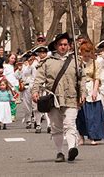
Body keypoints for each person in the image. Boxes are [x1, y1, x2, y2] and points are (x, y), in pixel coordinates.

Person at [32, 32, 85, 163]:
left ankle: (72, 148)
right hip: (53, 99)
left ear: (69, 46)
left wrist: (83, 92)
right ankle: (59, 152)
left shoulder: (76, 62)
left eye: (65, 44)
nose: (63, 47)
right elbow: (38, 80)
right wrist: (35, 91)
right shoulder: (47, 62)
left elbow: (82, 79)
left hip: (71, 98)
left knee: (70, 124)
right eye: (60, 44)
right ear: (56, 46)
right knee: (56, 127)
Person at [77, 40, 104, 145]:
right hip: (80, 87)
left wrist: (95, 91)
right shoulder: (77, 62)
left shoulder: (95, 63)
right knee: (81, 115)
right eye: (85, 52)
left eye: (89, 52)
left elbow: (97, 77)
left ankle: (93, 136)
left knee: (93, 115)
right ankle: (81, 136)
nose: (87, 55)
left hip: (91, 86)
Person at [32, 45, 51, 133]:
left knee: (47, 106)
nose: (43, 55)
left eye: (44, 53)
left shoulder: (49, 62)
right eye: (41, 53)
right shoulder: (34, 64)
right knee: (37, 108)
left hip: (46, 87)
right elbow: (31, 76)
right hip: (37, 87)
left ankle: (49, 125)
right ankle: (38, 124)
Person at [20, 51, 38, 129]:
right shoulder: (24, 65)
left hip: (32, 86)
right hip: (25, 87)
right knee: (26, 105)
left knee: (35, 105)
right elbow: (18, 76)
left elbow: (34, 77)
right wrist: (19, 69)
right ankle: (28, 120)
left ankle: (37, 121)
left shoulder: (35, 65)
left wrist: (30, 66)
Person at [3, 53, 20, 120]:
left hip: (16, 85)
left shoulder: (16, 67)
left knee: (14, 101)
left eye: (14, 58)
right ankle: (7, 114)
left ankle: (13, 115)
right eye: (12, 58)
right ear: (9, 58)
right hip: (8, 85)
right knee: (7, 100)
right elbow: (4, 76)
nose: (13, 60)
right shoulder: (5, 66)